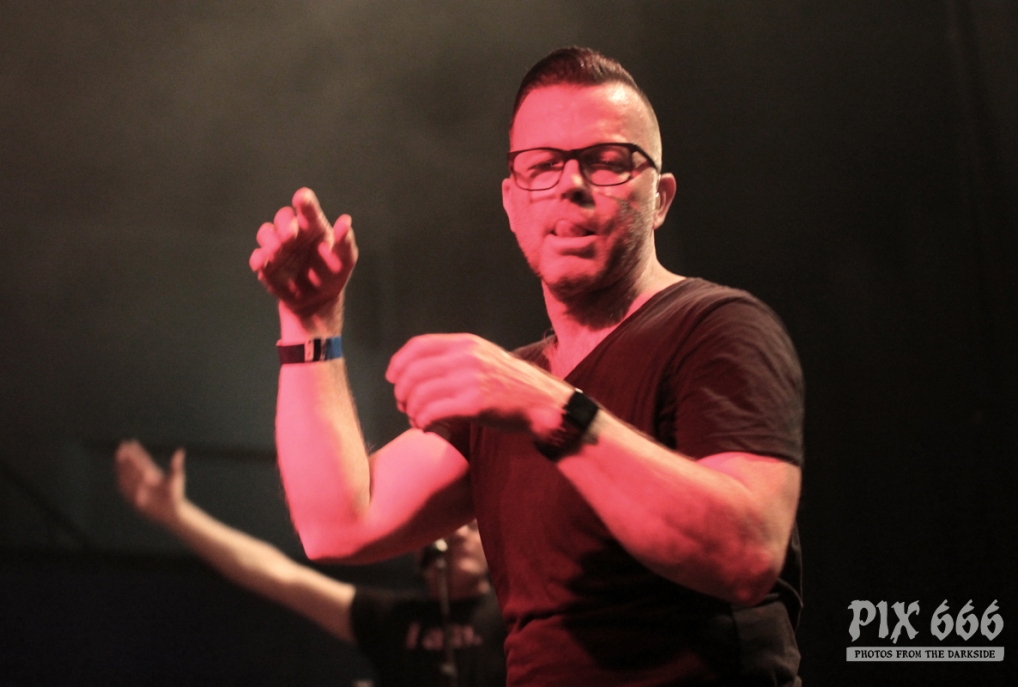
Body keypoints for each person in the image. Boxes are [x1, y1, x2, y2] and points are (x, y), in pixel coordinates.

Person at [249, 46, 804, 686]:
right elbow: (338, 523)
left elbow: (744, 552)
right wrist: (311, 324)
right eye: (542, 166)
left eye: (607, 162)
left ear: (660, 198)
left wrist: (549, 409)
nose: (571, 184)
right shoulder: (510, 391)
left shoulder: (716, 328)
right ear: (512, 204)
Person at [114, 440, 506, 687]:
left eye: (472, 527)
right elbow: (280, 576)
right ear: (418, 546)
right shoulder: (391, 620)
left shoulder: (513, 613)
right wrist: (177, 516)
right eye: (448, 528)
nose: (460, 535)